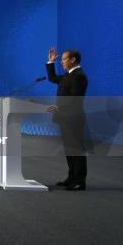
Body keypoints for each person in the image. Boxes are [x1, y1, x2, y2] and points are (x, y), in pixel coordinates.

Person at [46, 47, 89, 191]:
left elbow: (74, 99)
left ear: (73, 60)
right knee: (69, 149)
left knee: (76, 149)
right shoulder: (68, 75)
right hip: (65, 118)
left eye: (64, 59)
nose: (62, 62)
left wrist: (59, 108)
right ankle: (71, 177)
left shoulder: (79, 76)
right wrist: (51, 62)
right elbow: (52, 78)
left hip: (73, 118)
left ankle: (79, 181)